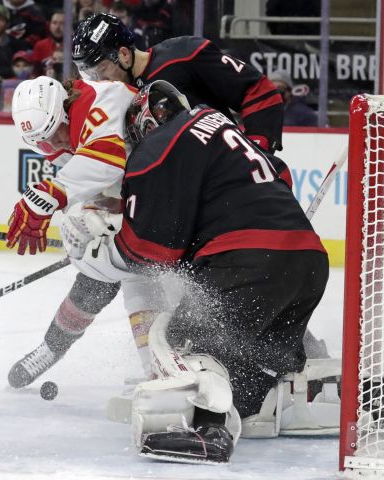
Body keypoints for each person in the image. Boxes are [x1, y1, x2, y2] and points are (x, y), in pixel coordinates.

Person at [65, 80, 330, 464]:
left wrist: (88, 254)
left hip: (251, 262)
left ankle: (209, 430)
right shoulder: (217, 124)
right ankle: (331, 395)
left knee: (180, 340)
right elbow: (278, 174)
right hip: (307, 261)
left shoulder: (157, 147)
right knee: (254, 362)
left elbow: (148, 252)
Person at [5, 75, 171, 389]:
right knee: (105, 274)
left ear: (65, 112)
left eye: (54, 134)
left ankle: (159, 368)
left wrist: (51, 194)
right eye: (41, 142)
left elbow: (108, 160)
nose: (52, 146)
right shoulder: (63, 130)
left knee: (130, 271)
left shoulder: (99, 100)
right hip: (147, 195)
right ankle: (55, 347)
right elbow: (103, 184)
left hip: (172, 196)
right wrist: (86, 218)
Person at [71, 12, 284, 154]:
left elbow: (257, 90)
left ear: (124, 54)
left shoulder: (184, 55)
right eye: (90, 74)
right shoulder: (115, 97)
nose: (99, 82)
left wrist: (257, 149)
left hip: (225, 177)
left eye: (101, 71)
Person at [30, 9, 62, 74]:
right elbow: (35, 72)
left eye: (62, 23)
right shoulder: (40, 45)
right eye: (54, 23)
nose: (58, 27)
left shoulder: (75, 45)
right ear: (49, 25)